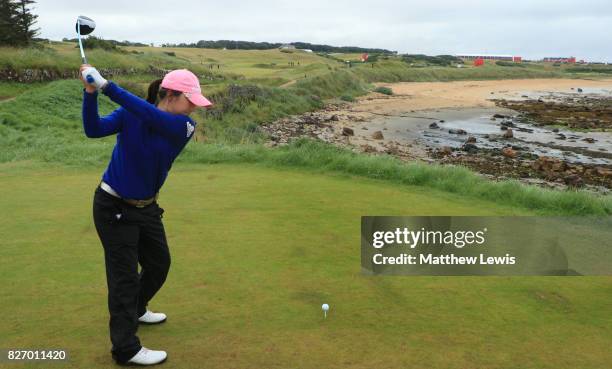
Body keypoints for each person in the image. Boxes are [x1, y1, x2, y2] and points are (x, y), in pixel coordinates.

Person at [80, 65, 212, 365]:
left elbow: (150, 115)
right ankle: (125, 348)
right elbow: (94, 129)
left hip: (147, 206)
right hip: (112, 206)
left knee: (159, 263)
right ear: (170, 95)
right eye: (190, 99)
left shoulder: (184, 127)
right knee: (124, 278)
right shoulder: (131, 114)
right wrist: (91, 93)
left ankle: (137, 309)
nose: (194, 107)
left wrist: (107, 86)